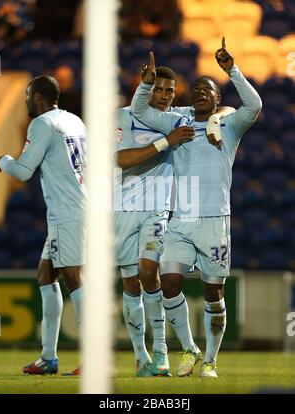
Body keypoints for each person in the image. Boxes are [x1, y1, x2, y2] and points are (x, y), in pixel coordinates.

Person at [131, 39, 262, 378]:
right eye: (197, 89)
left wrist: (231, 70)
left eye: (209, 90)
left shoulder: (229, 125)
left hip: (215, 221)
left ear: (218, 100)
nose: (201, 92)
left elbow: (254, 105)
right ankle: (190, 348)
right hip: (181, 221)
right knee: (169, 282)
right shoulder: (178, 122)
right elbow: (142, 112)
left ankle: (211, 360)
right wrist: (146, 85)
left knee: (213, 292)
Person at [115, 66, 233, 377]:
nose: (166, 96)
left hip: (159, 210)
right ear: (148, 88)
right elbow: (121, 159)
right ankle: (143, 356)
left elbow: (222, 107)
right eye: (160, 89)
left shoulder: (179, 116)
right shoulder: (125, 116)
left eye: (171, 90)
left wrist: (219, 117)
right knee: (130, 284)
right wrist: (165, 142)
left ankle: (162, 351)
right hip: (124, 208)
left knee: (149, 271)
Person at [0, 75, 87, 376]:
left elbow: (22, 171)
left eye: (27, 95)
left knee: (74, 278)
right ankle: (48, 357)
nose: (24, 101)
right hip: (77, 207)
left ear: (37, 97)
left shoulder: (43, 124)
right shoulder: (74, 120)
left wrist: (3, 160)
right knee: (46, 275)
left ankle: (93, 358)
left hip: (67, 213)